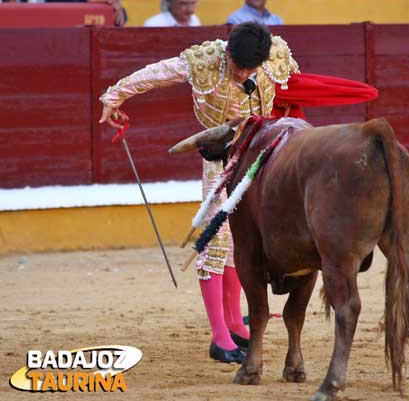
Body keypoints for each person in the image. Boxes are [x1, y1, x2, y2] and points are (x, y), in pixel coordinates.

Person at [99, 22, 298, 364]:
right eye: (238, 68)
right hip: (218, 159)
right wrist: (114, 97)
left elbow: (300, 89)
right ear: (228, 55)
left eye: (251, 69)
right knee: (216, 242)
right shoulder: (204, 61)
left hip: (255, 160)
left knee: (244, 242)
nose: (243, 75)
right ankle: (220, 337)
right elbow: (154, 74)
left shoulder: (273, 54)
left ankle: (235, 322)